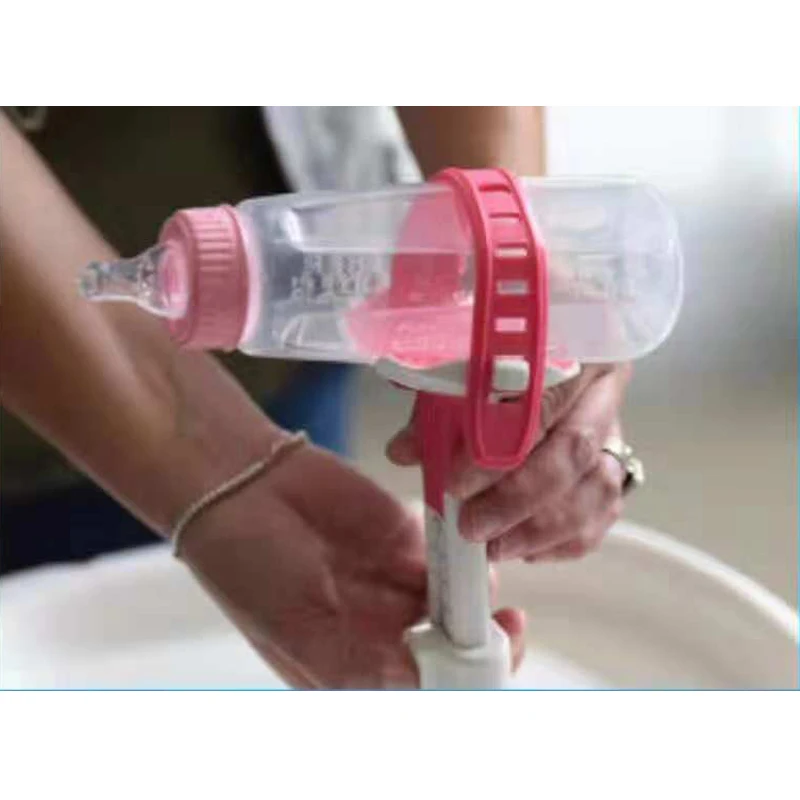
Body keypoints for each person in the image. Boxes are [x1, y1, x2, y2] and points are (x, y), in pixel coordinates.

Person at [0, 108, 632, 688]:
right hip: (33, 418)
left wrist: (510, 252)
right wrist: (214, 468)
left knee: (351, 577)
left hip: (289, 346)